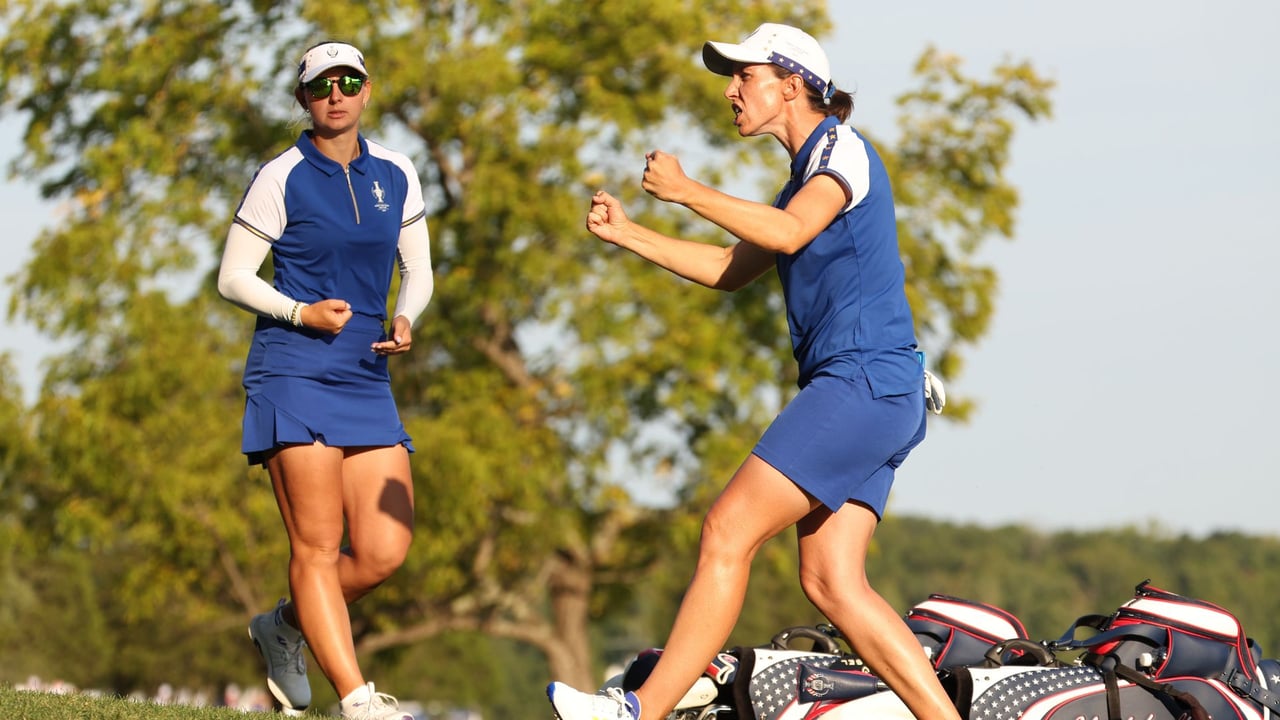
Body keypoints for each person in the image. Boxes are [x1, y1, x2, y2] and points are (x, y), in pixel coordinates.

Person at [546, 22, 956, 720]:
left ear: (791, 85)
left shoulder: (842, 155)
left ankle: (637, 711)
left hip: (863, 381)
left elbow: (789, 233)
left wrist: (686, 190)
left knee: (726, 531)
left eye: (745, 76)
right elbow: (731, 268)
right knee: (832, 582)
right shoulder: (804, 177)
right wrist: (629, 233)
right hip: (883, 391)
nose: (731, 91)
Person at [217, 40, 433, 720]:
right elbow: (231, 277)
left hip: (367, 375)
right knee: (314, 547)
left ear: (367, 90)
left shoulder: (397, 170)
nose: (335, 95)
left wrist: (407, 314)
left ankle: (283, 626)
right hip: (295, 369)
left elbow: (418, 268)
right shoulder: (281, 175)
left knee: (382, 551)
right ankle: (357, 698)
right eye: (320, 86)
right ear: (304, 100)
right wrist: (300, 311)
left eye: (349, 81)